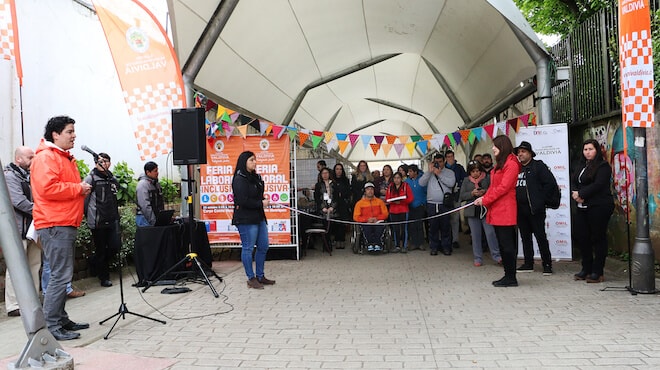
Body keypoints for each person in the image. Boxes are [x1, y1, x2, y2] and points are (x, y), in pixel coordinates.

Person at [31, 115, 92, 341]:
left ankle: (61, 319)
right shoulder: (47, 157)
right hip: (55, 222)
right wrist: (78, 189)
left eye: (73, 131)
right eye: (69, 131)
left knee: (61, 275)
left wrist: (78, 189)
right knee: (59, 276)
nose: (74, 135)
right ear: (55, 134)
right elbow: (48, 189)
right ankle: (51, 326)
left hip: (62, 221)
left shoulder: (59, 156)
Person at [474, 135, 521, 287]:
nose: (493, 148)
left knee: (507, 246)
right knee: (503, 245)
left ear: (503, 146)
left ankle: (511, 277)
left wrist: (485, 200)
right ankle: (508, 275)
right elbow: (494, 187)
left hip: (505, 210)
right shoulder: (501, 164)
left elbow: (503, 188)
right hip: (497, 209)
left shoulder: (512, 164)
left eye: (495, 146)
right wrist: (483, 197)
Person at [4, 146, 41, 317]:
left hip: (32, 229)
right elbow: (19, 202)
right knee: (16, 268)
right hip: (18, 230)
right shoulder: (10, 176)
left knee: (35, 264)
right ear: (18, 159)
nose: (33, 160)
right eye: (30, 157)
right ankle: (13, 305)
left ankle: (33, 301)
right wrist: (42, 210)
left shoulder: (28, 175)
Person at [571, 138, 614, 283]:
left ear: (597, 150)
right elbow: (575, 181)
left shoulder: (603, 166)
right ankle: (586, 268)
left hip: (599, 206)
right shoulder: (581, 166)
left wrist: (582, 195)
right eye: (585, 150)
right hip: (582, 207)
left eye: (591, 149)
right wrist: (575, 193)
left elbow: (599, 184)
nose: (587, 152)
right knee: (582, 237)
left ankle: (598, 271)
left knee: (598, 237)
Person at [231, 151, 275, 289]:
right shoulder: (239, 178)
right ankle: (251, 278)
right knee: (248, 248)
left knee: (263, 246)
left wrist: (262, 201)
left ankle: (260, 276)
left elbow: (257, 195)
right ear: (244, 161)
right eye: (251, 160)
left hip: (258, 217)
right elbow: (242, 200)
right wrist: (260, 203)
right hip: (245, 219)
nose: (254, 162)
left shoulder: (255, 177)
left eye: (255, 160)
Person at [514, 141, 556, 275]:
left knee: (540, 237)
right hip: (520, 209)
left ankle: (547, 264)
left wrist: (540, 200)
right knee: (525, 238)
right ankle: (528, 263)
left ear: (530, 154)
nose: (520, 154)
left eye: (523, 151)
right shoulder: (516, 168)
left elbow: (550, 184)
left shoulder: (539, 166)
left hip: (535, 209)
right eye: (519, 152)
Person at [84, 152, 120, 287]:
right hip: (97, 220)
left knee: (115, 246)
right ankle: (104, 277)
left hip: (112, 218)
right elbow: (84, 200)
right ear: (96, 163)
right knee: (101, 250)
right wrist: (89, 217)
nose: (104, 164)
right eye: (101, 161)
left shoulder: (111, 178)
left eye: (106, 161)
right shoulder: (91, 178)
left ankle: (93, 262)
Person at [459, 160, 500, 266]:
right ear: (469, 172)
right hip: (472, 211)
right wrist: (472, 193)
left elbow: (493, 190)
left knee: (490, 233)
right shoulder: (466, 181)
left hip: (485, 210)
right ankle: (478, 258)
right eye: (473, 171)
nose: (476, 173)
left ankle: (497, 256)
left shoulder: (486, 178)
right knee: (475, 236)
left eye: (477, 171)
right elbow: (462, 196)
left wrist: (485, 192)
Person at [419, 153, 456, 256]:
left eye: (440, 162)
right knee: (433, 227)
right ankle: (434, 247)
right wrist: (429, 172)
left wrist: (439, 174)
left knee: (445, 227)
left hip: (444, 204)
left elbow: (451, 183)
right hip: (431, 204)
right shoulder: (429, 173)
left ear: (444, 161)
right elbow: (421, 183)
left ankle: (446, 247)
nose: (438, 164)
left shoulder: (449, 172)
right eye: (436, 162)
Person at [353, 182, 389, 252]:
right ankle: (369, 244)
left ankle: (378, 244)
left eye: (371, 189)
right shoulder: (359, 203)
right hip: (366, 222)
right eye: (368, 189)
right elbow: (356, 216)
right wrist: (366, 219)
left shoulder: (380, 202)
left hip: (378, 222)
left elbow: (385, 214)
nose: (370, 191)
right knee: (366, 228)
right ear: (365, 191)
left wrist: (377, 218)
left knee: (380, 228)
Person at [444, 150, 467, 249]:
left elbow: (465, 179)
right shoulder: (442, 168)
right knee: (445, 219)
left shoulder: (459, 168)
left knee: (455, 219)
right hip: (445, 197)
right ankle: (446, 238)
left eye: (451, 156)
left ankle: (455, 239)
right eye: (448, 156)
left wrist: (460, 188)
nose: (450, 158)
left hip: (456, 196)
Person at [386, 172, 413, 253]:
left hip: (403, 210)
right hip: (393, 210)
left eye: (398, 178)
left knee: (404, 229)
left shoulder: (406, 186)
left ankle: (404, 246)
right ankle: (397, 246)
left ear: (401, 178)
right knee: (395, 229)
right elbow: (387, 198)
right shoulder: (390, 186)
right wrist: (394, 201)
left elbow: (410, 198)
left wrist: (401, 202)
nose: (396, 180)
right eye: (395, 178)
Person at [136, 161, 164, 227]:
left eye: (157, 170)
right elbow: (144, 205)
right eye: (155, 171)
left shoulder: (156, 183)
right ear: (148, 172)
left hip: (155, 216)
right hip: (144, 218)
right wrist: (153, 221)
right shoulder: (142, 185)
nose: (157, 173)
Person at [405, 164, 426, 250]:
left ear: (415, 172)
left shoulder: (422, 181)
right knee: (412, 225)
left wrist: (423, 203)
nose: (409, 173)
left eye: (410, 171)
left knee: (420, 225)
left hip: (420, 206)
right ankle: (414, 243)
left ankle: (420, 243)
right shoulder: (406, 182)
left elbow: (426, 192)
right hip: (410, 206)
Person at [314, 167, 336, 248]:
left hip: (332, 209)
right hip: (322, 209)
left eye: (326, 173)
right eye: (323, 173)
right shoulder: (318, 185)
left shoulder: (334, 183)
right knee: (324, 226)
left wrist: (332, 207)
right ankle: (326, 244)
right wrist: (322, 207)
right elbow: (317, 198)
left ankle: (330, 242)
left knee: (331, 227)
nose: (325, 175)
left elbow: (336, 197)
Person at [331, 163, 351, 249]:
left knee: (342, 222)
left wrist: (342, 194)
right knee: (335, 222)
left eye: (340, 169)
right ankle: (336, 239)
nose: (338, 171)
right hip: (334, 204)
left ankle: (342, 240)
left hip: (343, 203)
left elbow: (348, 191)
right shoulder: (332, 180)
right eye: (337, 169)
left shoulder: (345, 180)